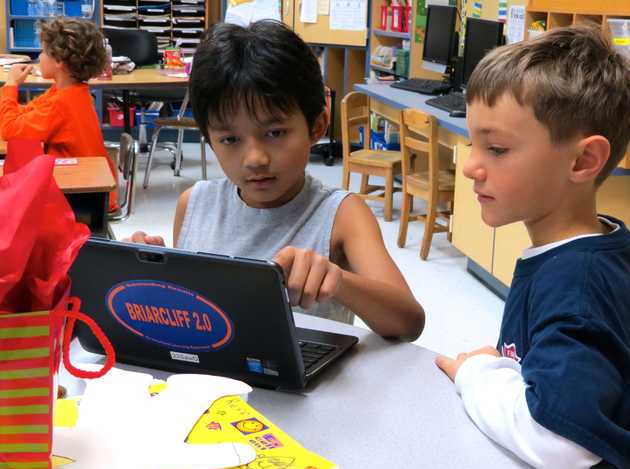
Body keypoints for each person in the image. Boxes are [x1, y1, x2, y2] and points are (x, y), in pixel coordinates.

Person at [435, 26, 630, 469]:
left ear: (582, 161)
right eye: (472, 144)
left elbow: (561, 443)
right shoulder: (592, 247)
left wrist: (479, 375)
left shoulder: (577, 283)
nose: (472, 169)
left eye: (498, 149)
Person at [129, 21, 425, 340]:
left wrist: (338, 280)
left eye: (275, 133)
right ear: (209, 140)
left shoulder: (341, 215)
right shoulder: (194, 204)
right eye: (230, 139)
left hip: (308, 387)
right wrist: (150, 276)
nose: (255, 158)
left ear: (317, 127)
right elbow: (190, 315)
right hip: (216, 385)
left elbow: (407, 322)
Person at [0, 18, 118, 211]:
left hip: (83, 197)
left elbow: (10, 130)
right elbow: (24, 115)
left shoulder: (61, 103)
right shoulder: (69, 91)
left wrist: (11, 86)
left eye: (44, 51)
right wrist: (9, 100)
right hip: (83, 187)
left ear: (59, 61)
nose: (39, 57)